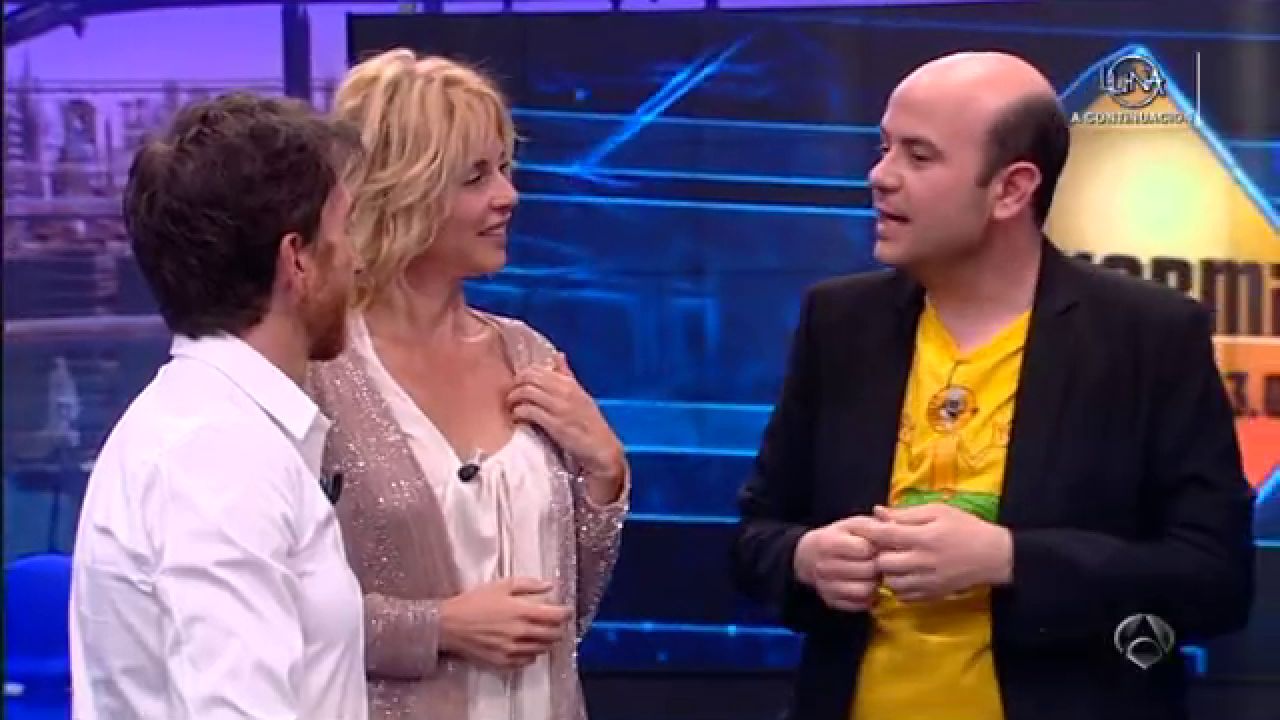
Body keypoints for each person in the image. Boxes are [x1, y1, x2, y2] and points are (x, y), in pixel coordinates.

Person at [730, 51, 1255, 720]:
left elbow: (1214, 580)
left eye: (919, 156)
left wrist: (1008, 560)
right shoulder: (839, 322)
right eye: (884, 148)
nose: (880, 176)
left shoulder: (1147, 336)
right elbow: (754, 537)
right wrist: (804, 558)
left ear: (1012, 189)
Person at [308, 48, 630, 720]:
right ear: (400, 188)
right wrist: (438, 627)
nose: (508, 196)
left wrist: (605, 471)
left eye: (505, 169)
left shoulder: (528, 354)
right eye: (475, 177)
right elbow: (277, 608)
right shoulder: (319, 371)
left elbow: (570, 612)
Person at [69, 92, 368, 720]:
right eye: (345, 232)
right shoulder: (217, 459)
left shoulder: (210, 431)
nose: (357, 259)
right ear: (297, 261)